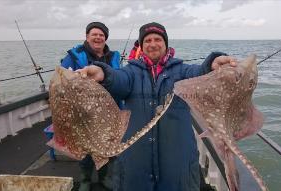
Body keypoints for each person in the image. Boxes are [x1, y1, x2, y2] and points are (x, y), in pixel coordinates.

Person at [77, 22, 237, 191]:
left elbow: (198, 74)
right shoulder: (131, 72)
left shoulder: (182, 71)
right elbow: (118, 79)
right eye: (147, 40)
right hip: (136, 163)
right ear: (142, 46)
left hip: (177, 164)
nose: (153, 44)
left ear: (166, 44)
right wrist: (103, 73)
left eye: (158, 39)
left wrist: (211, 65)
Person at [61, 21, 121, 191]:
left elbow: (120, 78)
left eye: (101, 35)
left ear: (105, 38)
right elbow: (64, 78)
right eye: (94, 34)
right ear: (87, 37)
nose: (98, 37)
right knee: (85, 147)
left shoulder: (114, 57)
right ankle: (85, 179)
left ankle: (103, 177)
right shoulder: (74, 55)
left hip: (109, 110)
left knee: (106, 145)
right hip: (83, 111)